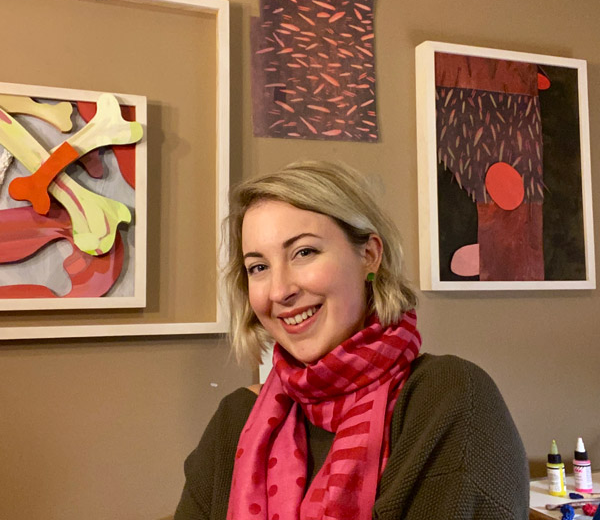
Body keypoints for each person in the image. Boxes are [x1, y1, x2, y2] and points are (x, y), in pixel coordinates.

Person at [174, 160, 529, 520]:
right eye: (259, 267)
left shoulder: (448, 398)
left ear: (369, 255)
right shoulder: (234, 421)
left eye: (304, 252)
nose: (279, 290)